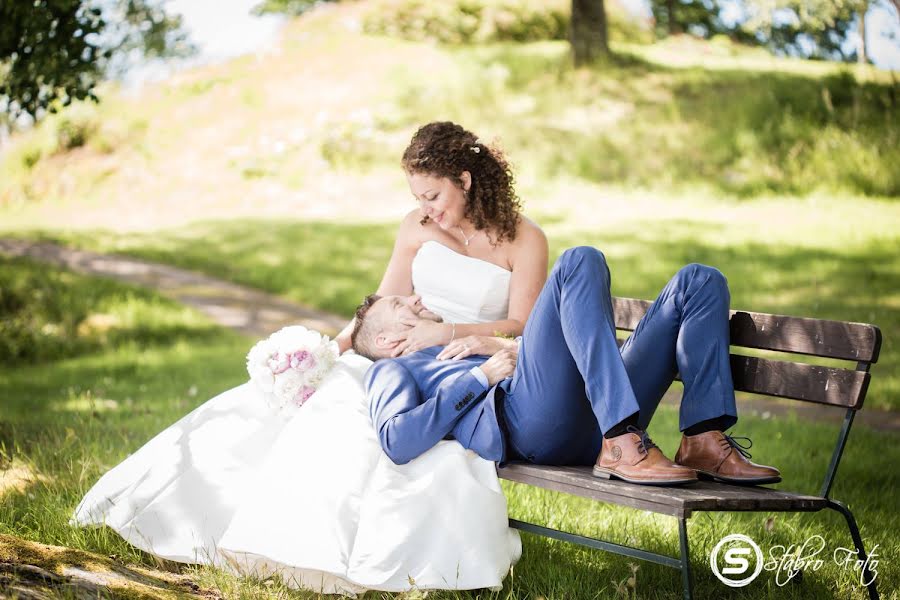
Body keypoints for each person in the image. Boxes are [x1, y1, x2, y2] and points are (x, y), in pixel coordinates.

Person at [72, 122, 549, 594]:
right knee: (323, 401)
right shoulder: (415, 227)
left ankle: (358, 555)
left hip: (457, 362)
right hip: (391, 357)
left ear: (464, 181)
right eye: (417, 197)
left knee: (389, 437)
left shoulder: (524, 239)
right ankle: (245, 531)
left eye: (433, 196)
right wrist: (327, 350)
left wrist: (443, 332)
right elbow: (380, 303)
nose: (425, 209)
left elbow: (522, 326)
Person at [355, 246, 782, 486]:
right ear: (386, 341)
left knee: (699, 280)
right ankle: (618, 439)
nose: (414, 298)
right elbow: (397, 440)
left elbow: (557, 353)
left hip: (595, 408)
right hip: (533, 425)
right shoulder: (393, 369)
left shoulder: (453, 337)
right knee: (579, 260)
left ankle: (702, 440)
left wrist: (497, 347)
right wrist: (478, 376)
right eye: (399, 303)